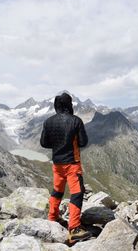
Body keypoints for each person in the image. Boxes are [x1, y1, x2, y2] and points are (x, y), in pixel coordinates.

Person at [40, 92, 91, 243]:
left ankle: (53, 217)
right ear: (69, 105)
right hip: (72, 164)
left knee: (57, 191)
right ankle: (74, 228)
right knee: (77, 193)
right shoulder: (76, 121)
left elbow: (44, 143)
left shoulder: (48, 122)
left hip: (57, 164)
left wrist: (57, 144)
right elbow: (83, 142)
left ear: (56, 106)